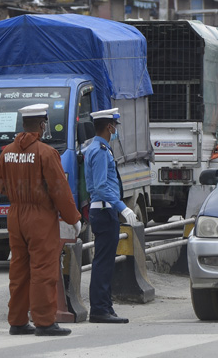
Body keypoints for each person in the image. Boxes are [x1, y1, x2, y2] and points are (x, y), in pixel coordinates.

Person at [0, 104, 82, 337]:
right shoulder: (46, 153)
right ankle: (44, 322)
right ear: (42, 125)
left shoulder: (7, 151)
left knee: (19, 269)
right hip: (40, 218)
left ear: (24, 124)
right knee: (43, 269)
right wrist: (73, 218)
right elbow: (59, 189)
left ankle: (18, 321)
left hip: (15, 215)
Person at [84, 108, 139, 324]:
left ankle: (105, 306)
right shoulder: (98, 151)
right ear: (109, 127)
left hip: (106, 210)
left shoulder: (100, 148)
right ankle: (99, 309)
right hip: (105, 210)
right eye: (114, 126)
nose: (115, 130)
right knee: (103, 263)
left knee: (106, 262)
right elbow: (100, 186)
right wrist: (121, 207)